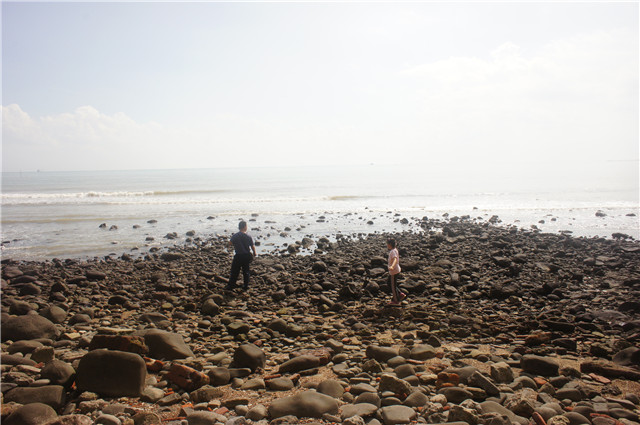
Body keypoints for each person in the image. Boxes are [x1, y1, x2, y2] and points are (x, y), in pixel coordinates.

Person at [227, 221, 257, 290]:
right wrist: (254, 253)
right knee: (246, 271)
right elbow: (252, 246)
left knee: (234, 271)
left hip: (238, 255)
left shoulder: (235, 236)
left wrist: (235, 245)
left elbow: (230, 243)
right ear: (245, 227)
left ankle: (231, 285)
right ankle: (246, 285)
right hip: (246, 255)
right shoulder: (248, 236)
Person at [387, 238, 406, 306]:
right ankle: (400, 294)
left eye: (387, 244)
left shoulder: (393, 251)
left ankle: (396, 300)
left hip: (394, 271)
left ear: (390, 244)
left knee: (393, 286)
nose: (387, 245)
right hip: (395, 270)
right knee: (389, 283)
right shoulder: (394, 250)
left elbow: (395, 259)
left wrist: (392, 266)